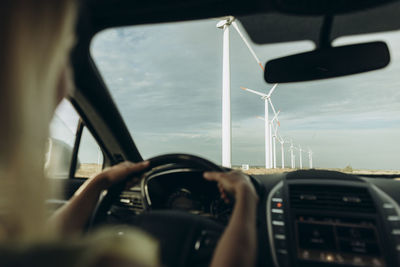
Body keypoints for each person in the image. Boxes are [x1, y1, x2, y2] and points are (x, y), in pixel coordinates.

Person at [0, 1, 259, 266]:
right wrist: (246, 202)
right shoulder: (112, 257)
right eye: (63, 55)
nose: (68, 82)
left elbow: (41, 247)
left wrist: (97, 183)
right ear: (25, 71)